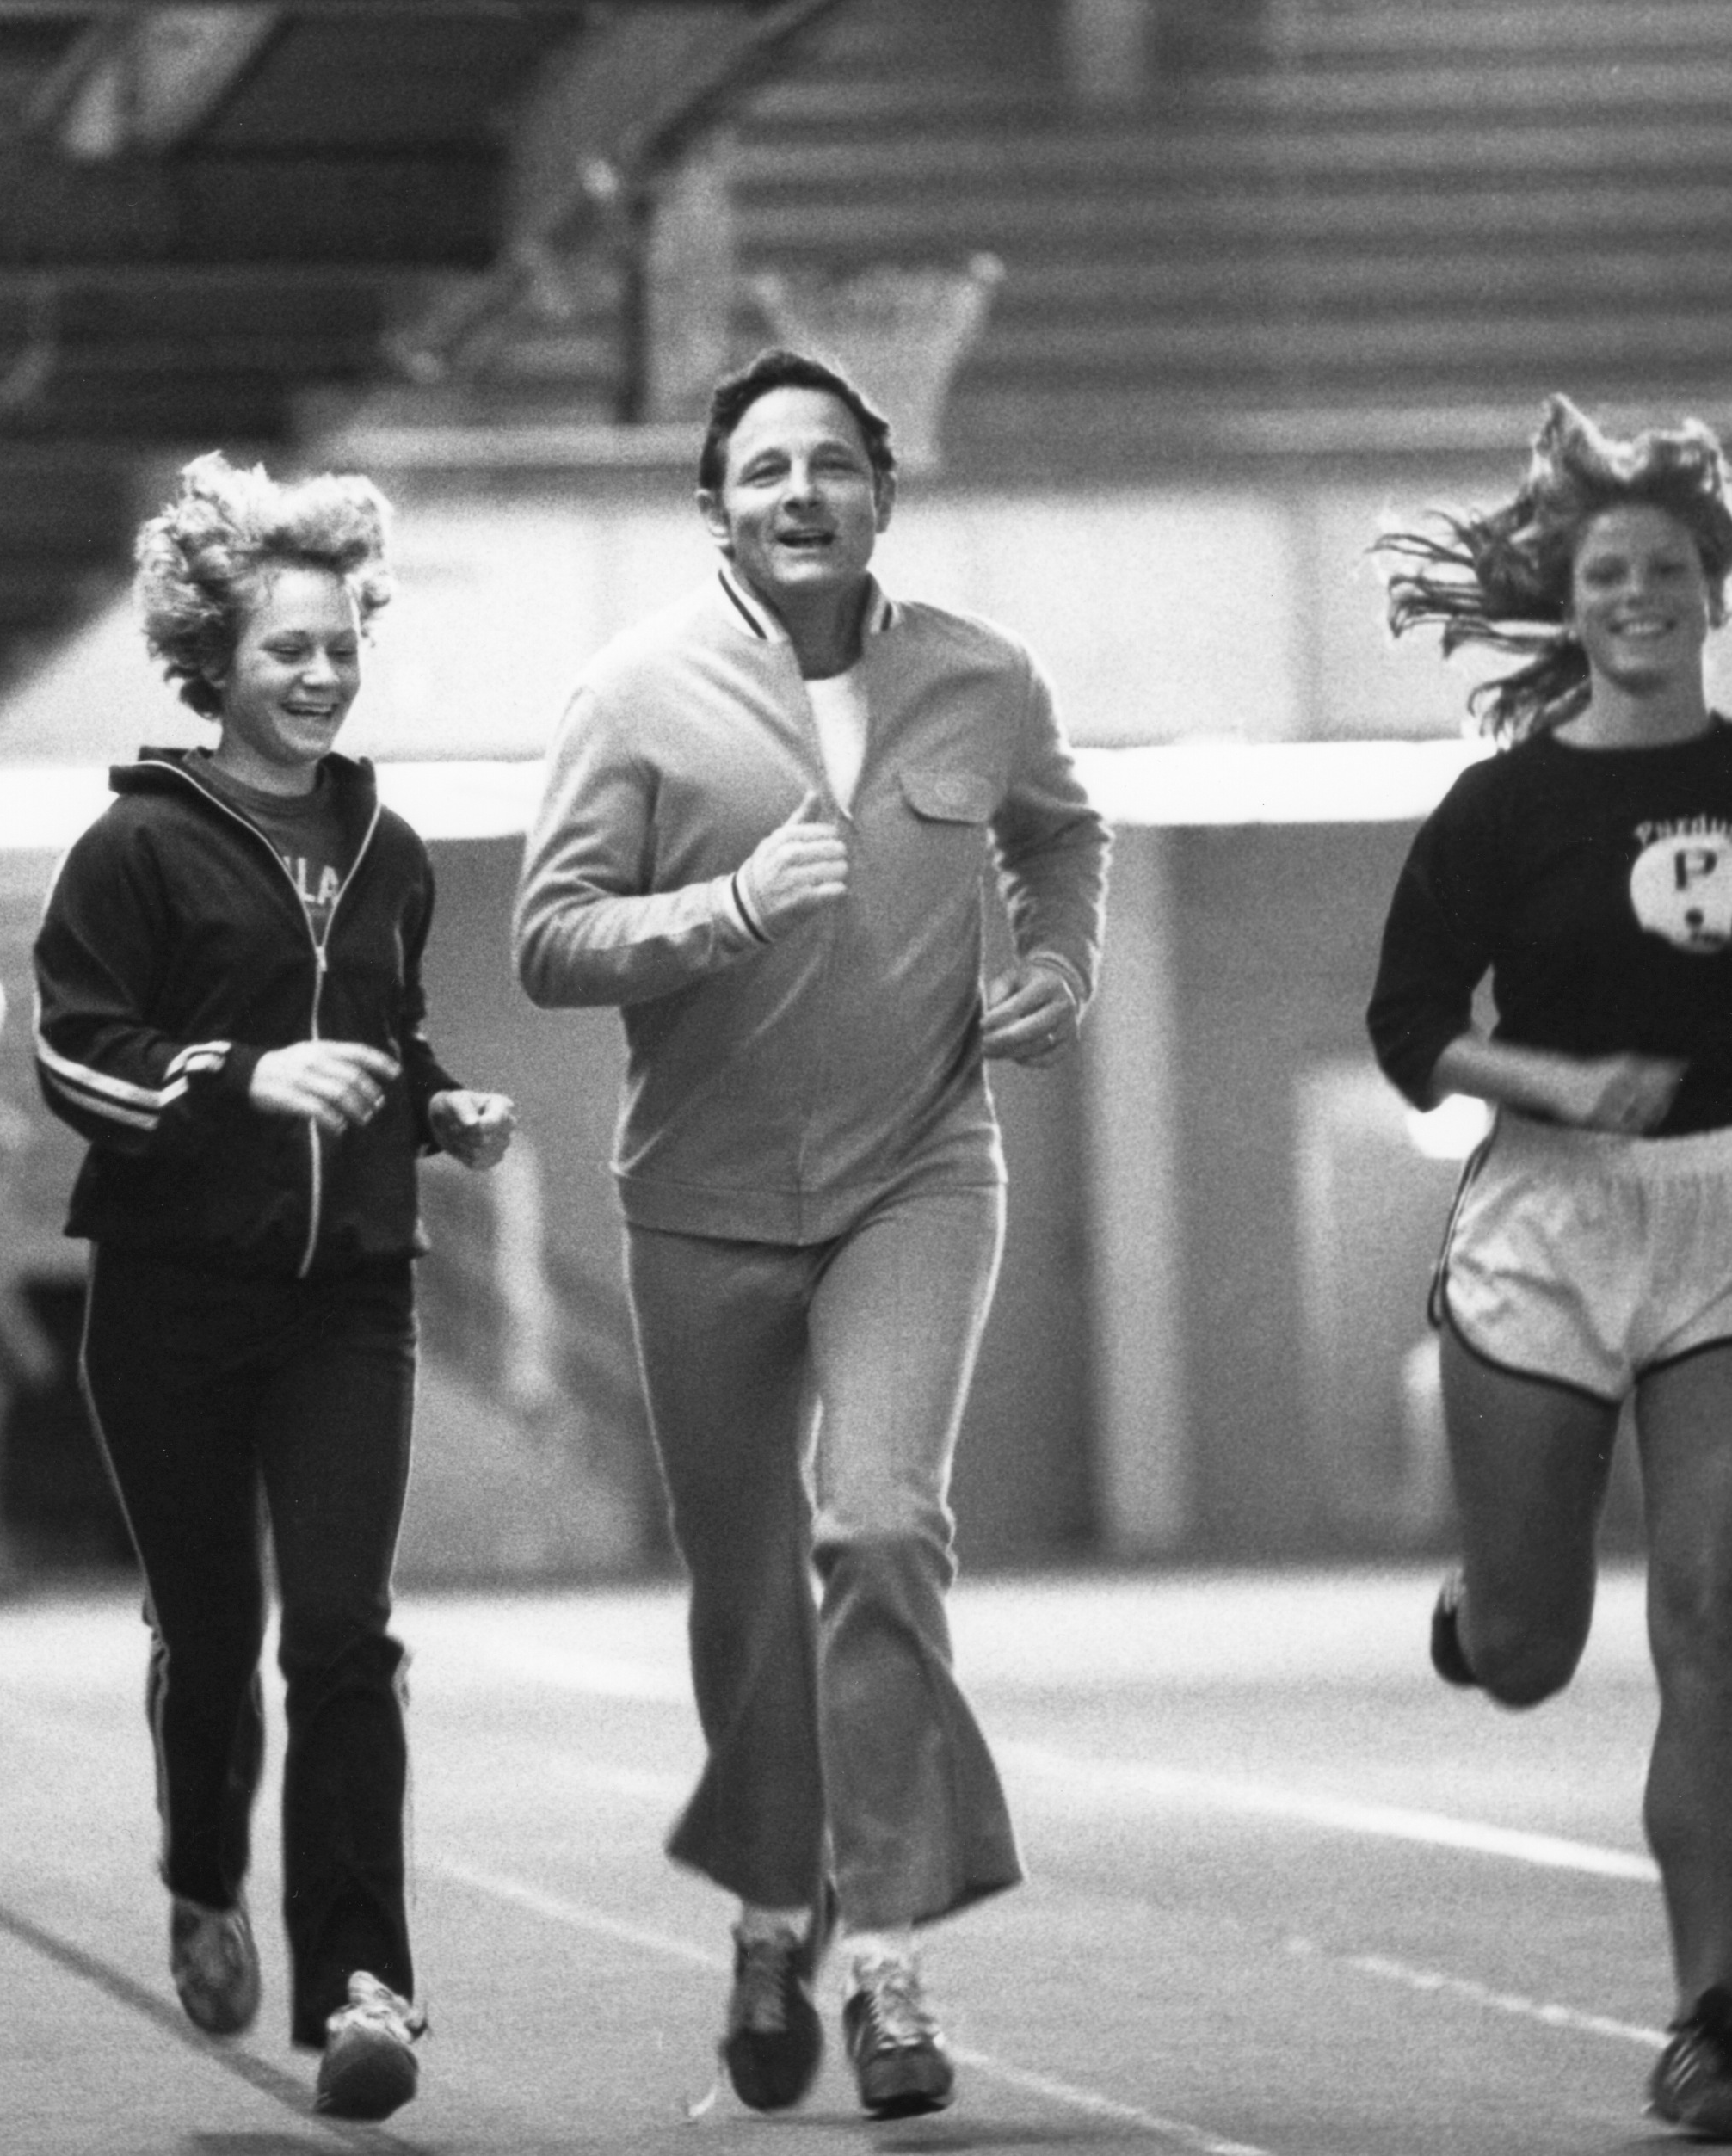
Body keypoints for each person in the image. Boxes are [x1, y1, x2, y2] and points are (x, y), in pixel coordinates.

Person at [1367, 396, 1732, 2143]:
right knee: (1540, 1645)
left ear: (1711, 589)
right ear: (1568, 601)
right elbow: (1405, 1028)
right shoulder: (1499, 809)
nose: (1631, 592)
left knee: (1708, 1621)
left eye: (1660, 567)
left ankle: (1705, 2020)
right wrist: (1549, 1080)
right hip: (1543, 1219)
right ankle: (1481, 1621)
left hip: (1726, 1215)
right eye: (1599, 571)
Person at [513, 349, 1107, 2121]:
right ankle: (775, 1911)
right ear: (713, 506)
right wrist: (722, 905)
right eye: (761, 467)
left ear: (876, 497)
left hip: (916, 1173)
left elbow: (1063, 834)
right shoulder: (629, 694)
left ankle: (891, 1961)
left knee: (877, 1526)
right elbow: (548, 937)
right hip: (694, 1200)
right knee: (742, 1586)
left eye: (829, 464)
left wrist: (1060, 963)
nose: (797, 491)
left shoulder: (979, 681)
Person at [32, 452, 514, 2123]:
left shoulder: (390, 844)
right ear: (211, 659)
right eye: (281, 650)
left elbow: (388, 1025)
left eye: (336, 645)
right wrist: (241, 1077)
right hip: (168, 1294)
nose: (316, 675)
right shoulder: (135, 847)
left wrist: (439, 1101)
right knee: (214, 1633)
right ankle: (196, 1869)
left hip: (349, 1296)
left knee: (341, 1633)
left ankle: (361, 1980)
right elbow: (71, 1060)